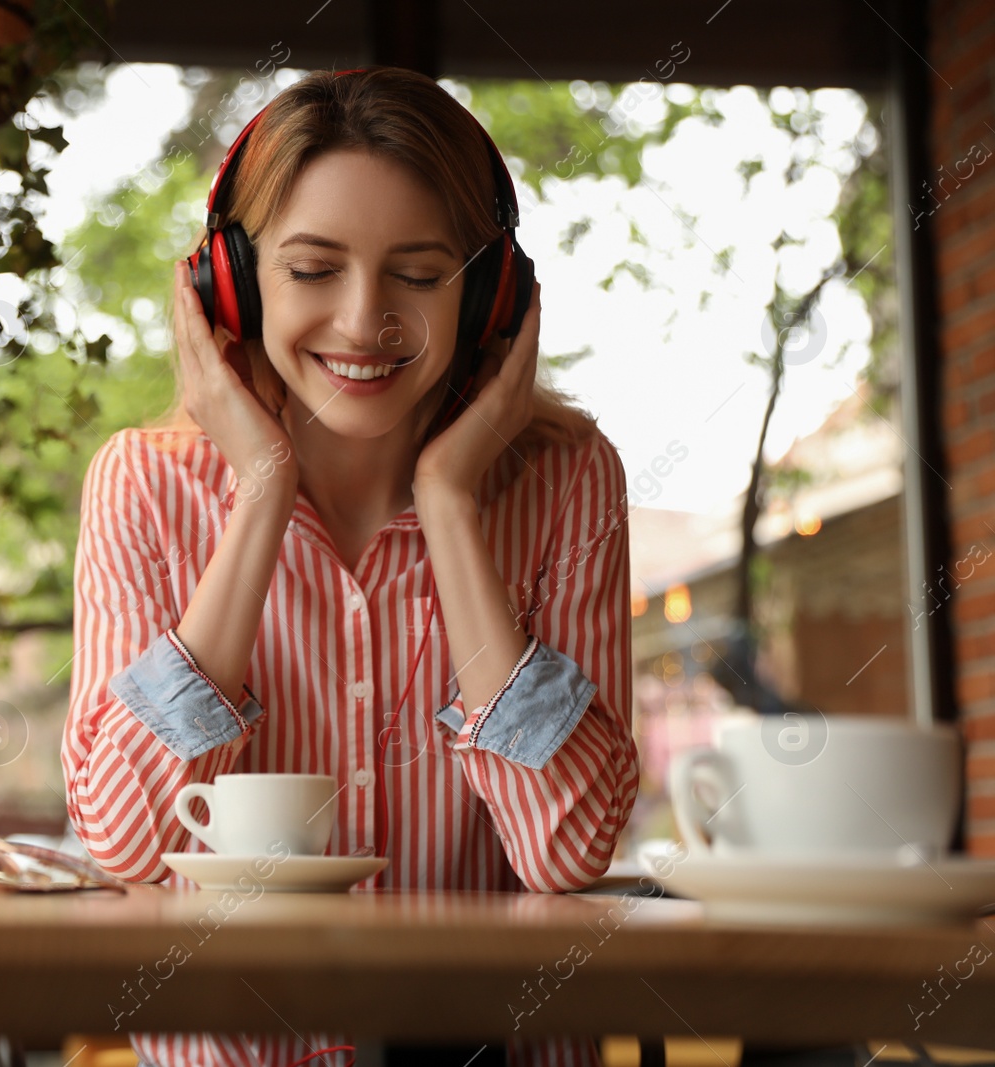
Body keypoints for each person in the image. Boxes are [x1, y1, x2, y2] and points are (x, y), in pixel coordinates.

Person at [62, 66, 639, 1067]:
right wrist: (259, 494)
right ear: (230, 285)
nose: (365, 318)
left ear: (489, 292)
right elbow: (124, 839)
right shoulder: (142, 487)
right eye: (313, 268)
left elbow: (567, 848)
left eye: (418, 273)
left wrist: (451, 504)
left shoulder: (567, 480)